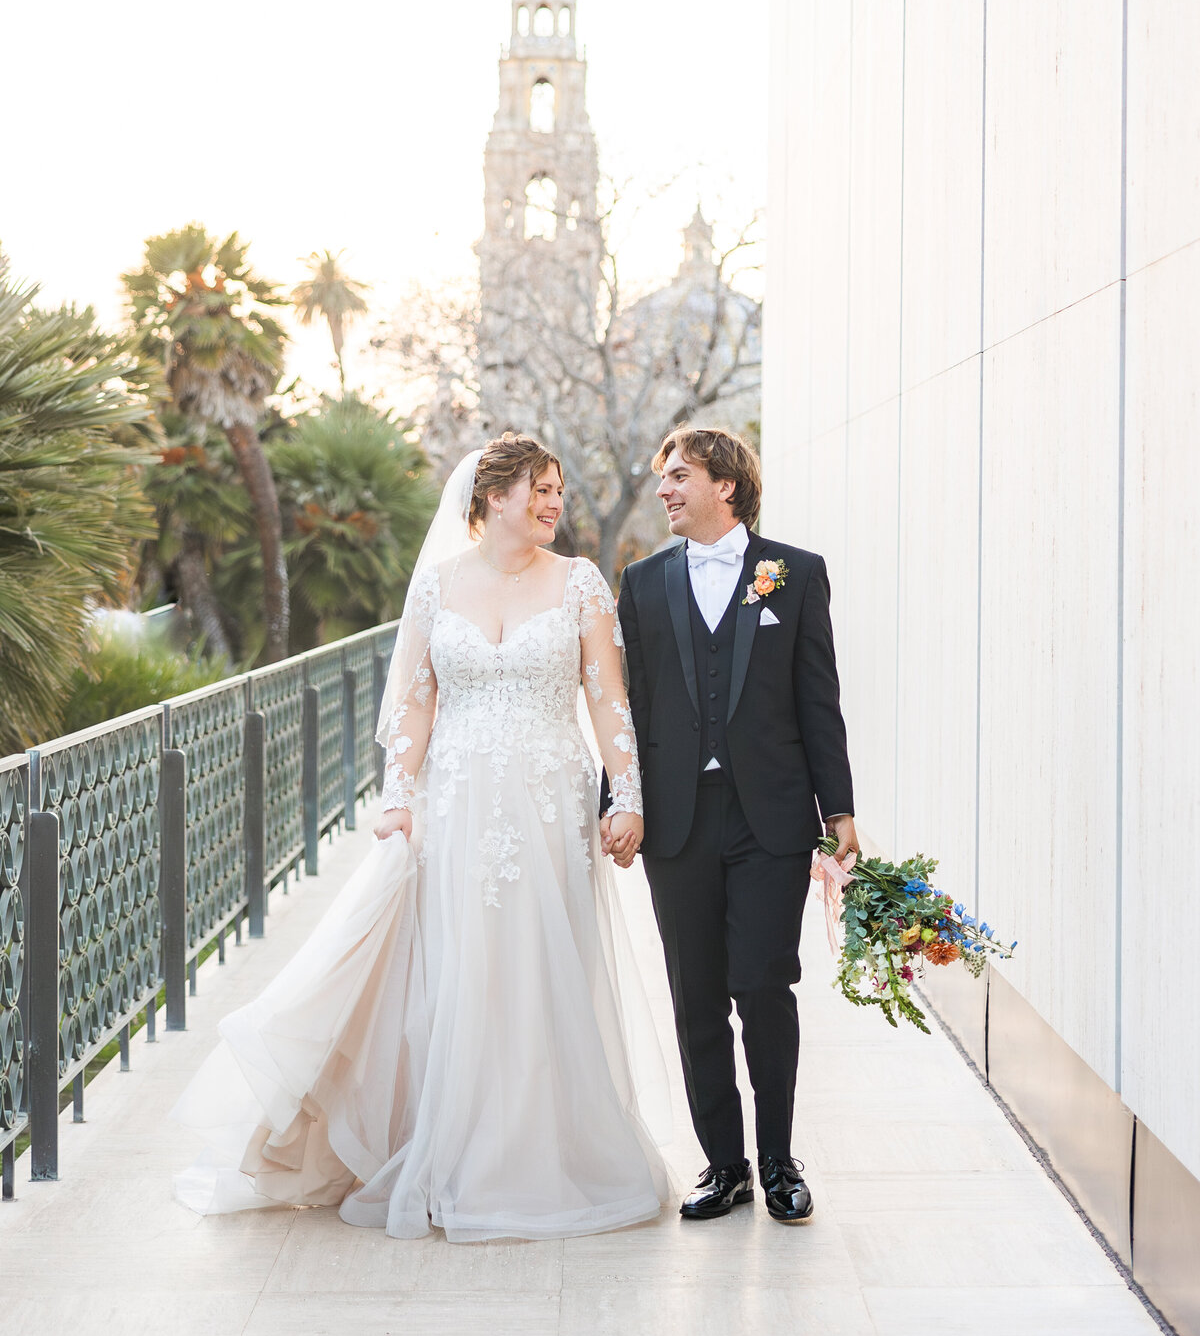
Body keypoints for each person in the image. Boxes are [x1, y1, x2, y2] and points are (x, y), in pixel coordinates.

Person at [172, 433, 670, 1241]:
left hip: (550, 802)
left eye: (559, 493)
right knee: (462, 971)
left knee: (543, 967)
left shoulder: (579, 585)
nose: (555, 505)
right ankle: (456, 1154)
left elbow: (610, 700)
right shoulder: (437, 588)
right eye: (541, 490)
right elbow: (414, 702)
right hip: (460, 801)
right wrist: (399, 798)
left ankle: (545, 1153)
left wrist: (628, 799)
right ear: (493, 497)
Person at [615, 427, 858, 1225]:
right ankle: (724, 1166)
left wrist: (839, 811)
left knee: (764, 986)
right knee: (694, 999)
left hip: (772, 819)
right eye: (663, 479)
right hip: (679, 823)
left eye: (679, 476)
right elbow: (630, 711)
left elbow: (818, 702)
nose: (665, 491)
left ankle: (780, 1160)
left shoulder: (794, 574)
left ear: (727, 483)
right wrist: (624, 801)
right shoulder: (643, 584)